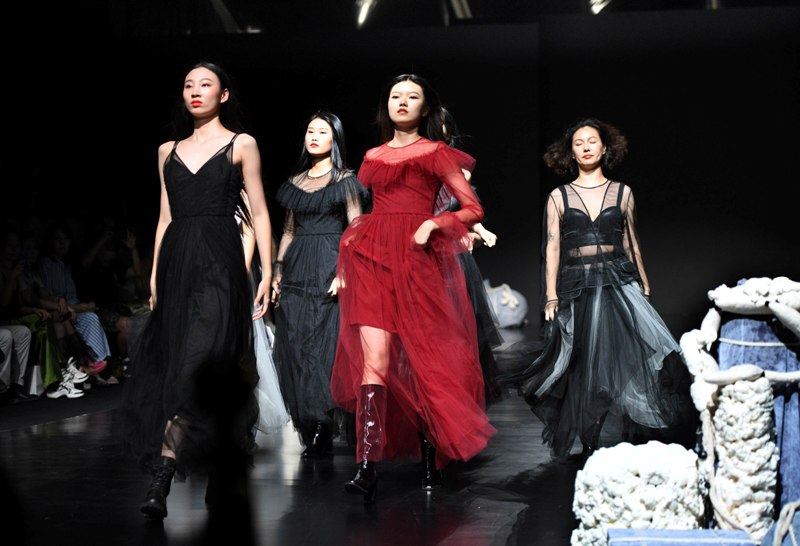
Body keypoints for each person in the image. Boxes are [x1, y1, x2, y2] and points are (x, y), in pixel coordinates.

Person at [119, 61, 272, 535]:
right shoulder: (166, 151)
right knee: (179, 365)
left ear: (224, 94)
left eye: (205, 84)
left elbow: (259, 211)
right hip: (177, 264)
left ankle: (162, 476)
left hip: (221, 264)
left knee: (199, 363)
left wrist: (269, 272)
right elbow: (165, 217)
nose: (195, 91)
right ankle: (213, 471)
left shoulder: (241, 144)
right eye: (188, 85)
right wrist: (153, 274)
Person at [332, 74, 496, 501]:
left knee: (421, 358)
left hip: (418, 261)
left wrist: (434, 223)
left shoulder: (436, 153)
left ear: (425, 108)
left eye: (412, 96)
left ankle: (429, 456)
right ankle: (366, 466)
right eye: (395, 96)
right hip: (373, 259)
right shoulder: (373, 156)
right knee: (374, 361)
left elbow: (473, 209)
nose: (402, 102)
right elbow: (372, 207)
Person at [496, 117, 696, 461]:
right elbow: (552, 246)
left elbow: (631, 242)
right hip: (577, 286)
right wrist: (551, 294)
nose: (586, 147)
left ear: (605, 148)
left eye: (592, 141)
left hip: (618, 282)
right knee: (580, 364)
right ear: (571, 153)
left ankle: (608, 436)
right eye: (579, 143)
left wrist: (644, 281)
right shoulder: (558, 196)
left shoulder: (623, 192)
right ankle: (589, 438)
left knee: (623, 359)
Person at [270, 110, 368, 458]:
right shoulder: (295, 182)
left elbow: (356, 228)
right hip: (298, 266)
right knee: (297, 343)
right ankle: (311, 423)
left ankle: (324, 425)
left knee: (324, 345)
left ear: (335, 138)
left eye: (322, 131)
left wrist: (345, 271)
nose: (313, 136)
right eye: (310, 130)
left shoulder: (345, 180)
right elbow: (289, 230)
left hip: (330, 263)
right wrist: (278, 269)